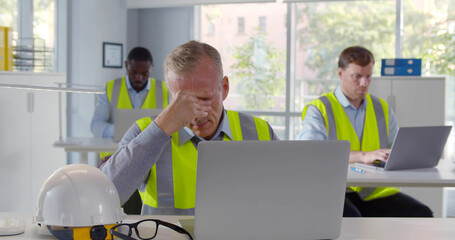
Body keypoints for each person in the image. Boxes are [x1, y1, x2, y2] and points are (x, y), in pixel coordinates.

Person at [100, 40, 279, 215]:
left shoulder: (260, 131)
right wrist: (160, 129)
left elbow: (286, 196)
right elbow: (102, 195)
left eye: (205, 99)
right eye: (184, 102)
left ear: (224, 88)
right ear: (171, 97)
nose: (197, 113)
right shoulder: (144, 131)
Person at [299, 46, 433, 217]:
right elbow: (312, 152)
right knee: (353, 218)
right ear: (340, 74)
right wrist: (362, 156)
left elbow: (397, 149)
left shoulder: (381, 108)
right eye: (357, 76)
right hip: (334, 190)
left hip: (372, 191)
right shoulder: (319, 109)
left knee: (422, 213)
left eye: (368, 77)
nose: (364, 83)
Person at [90, 47, 169, 161]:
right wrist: (122, 131)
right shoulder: (110, 87)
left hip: (153, 156)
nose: (139, 78)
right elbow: (95, 125)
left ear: (151, 68)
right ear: (126, 65)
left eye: (144, 73)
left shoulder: (165, 90)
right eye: (134, 72)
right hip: (115, 156)